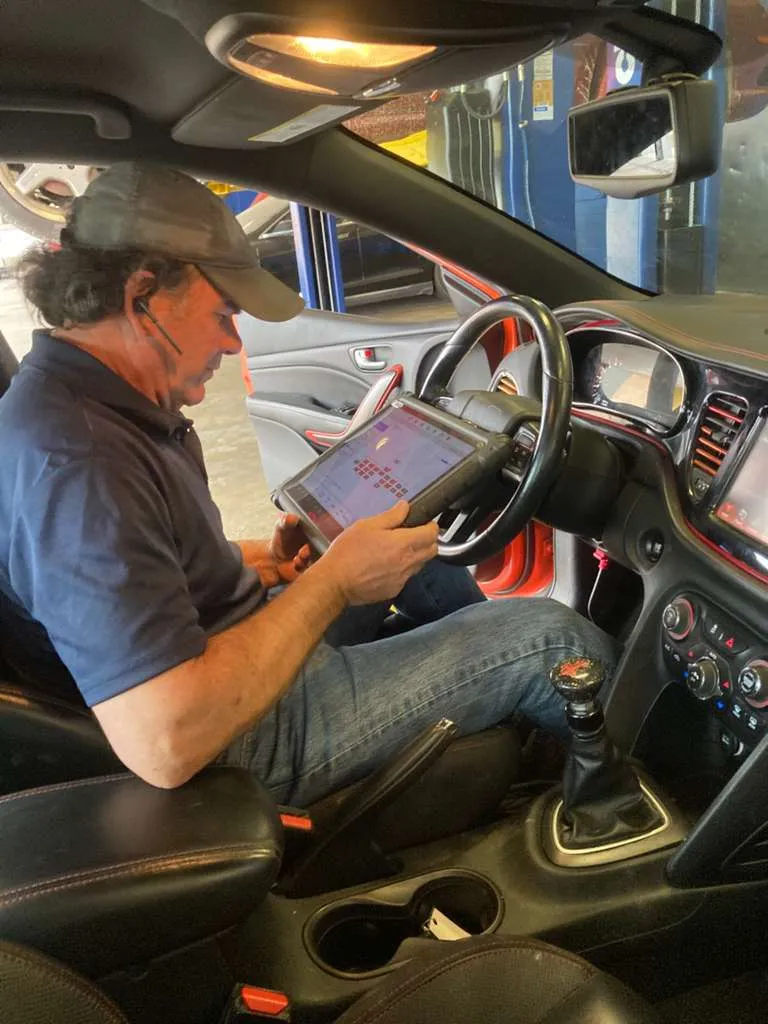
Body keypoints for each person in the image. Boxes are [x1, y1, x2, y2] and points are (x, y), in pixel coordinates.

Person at [0, 163, 616, 807]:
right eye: (222, 314)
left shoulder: (84, 404)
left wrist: (266, 562)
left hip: (225, 657)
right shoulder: (77, 463)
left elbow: (132, 570)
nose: (234, 343)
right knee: (552, 640)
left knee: (410, 549)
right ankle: (637, 806)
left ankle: (502, 709)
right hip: (244, 741)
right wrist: (331, 583)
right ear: (143, 295)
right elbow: (167, 743)